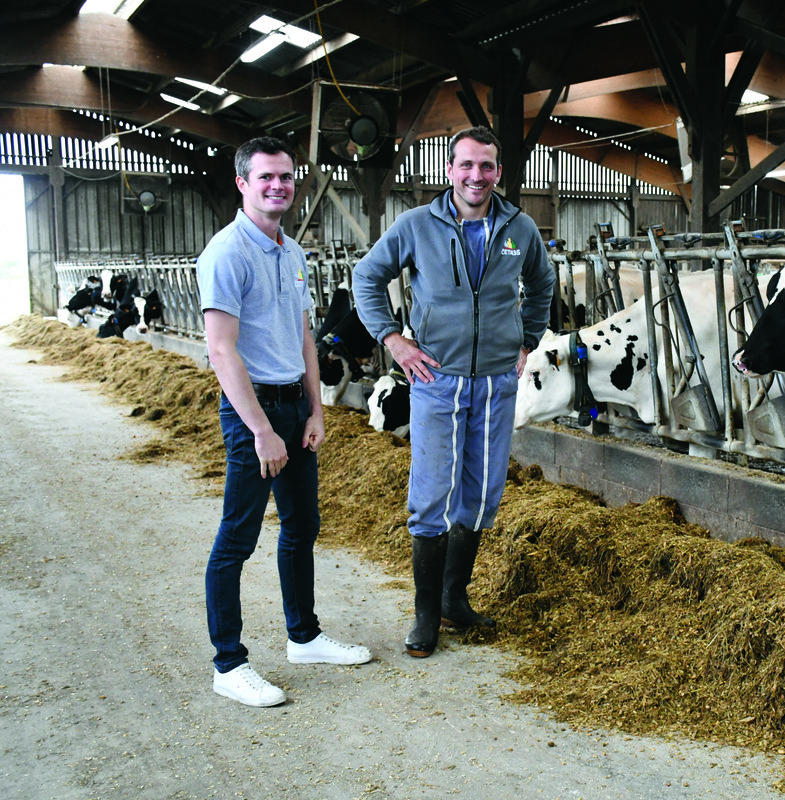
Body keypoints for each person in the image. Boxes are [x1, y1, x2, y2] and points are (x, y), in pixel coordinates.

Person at [352, 125, 555, 658]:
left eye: (486, 166)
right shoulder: (416, 225)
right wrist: (394, 341)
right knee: (432, 495)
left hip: (495, 383)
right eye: (466, 165)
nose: (476, 175)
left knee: (482, 493)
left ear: (499, 172)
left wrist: (528, 337)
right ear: (449, 170)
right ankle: (424, 616)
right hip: (436, 381)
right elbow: (366, 278)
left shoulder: (520, 227)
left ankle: (452, 599)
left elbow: (542, 285)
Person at [198, 136, 371, 707]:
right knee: (237, 539)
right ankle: (229, 663)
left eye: (287, 177)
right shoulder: (226, 253)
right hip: (254, 411)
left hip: (295, 406)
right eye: (266, 177)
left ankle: (304, 636)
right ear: (242, 182)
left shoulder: (292, 253)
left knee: (301, 526)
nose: (279, 186)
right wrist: (261, 429)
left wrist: (317, 405)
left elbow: (302, 336)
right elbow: (222, 351)